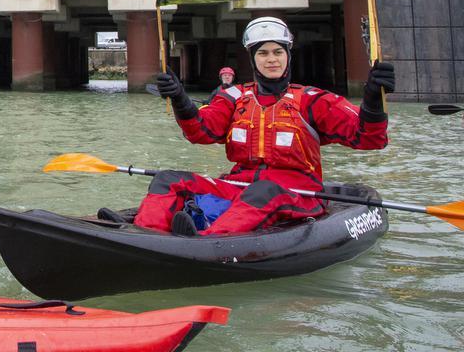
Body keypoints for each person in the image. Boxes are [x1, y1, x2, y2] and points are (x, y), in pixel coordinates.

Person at [110, 17, 393, 236]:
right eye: (264, 53)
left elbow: (370, 138)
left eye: (278, 52)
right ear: (253, 59)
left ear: (287, 56)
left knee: (263, 191)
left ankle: (208, 240)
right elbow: (201, 132)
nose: (272, 59)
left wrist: (372, 100)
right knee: (168, 179)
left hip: (299, 194)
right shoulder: (233, 97)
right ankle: (142, 233)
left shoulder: (313, 100)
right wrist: (180, 98)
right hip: (238, 186)